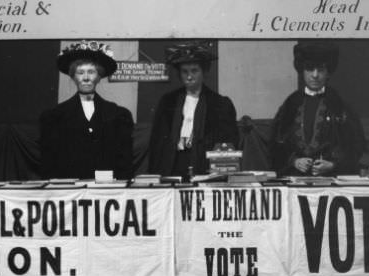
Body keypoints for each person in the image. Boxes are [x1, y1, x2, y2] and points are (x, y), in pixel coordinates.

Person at [268, 41, 366, 177]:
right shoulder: (291, 103)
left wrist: (333, 164)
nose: (315, 75)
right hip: (294, 178)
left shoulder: (339, 104)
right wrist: (294, 161)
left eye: (320, 70)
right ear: (302, 71)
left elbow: (356, 145)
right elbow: (275, 144)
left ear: (328, 73)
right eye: (309, 69)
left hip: (331, 179)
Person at [39, 41, 134, 180]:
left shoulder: (119, 114)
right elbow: (49, 161)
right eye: (80, 72)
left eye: (91, 72)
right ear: (73, 76)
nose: (86, 78)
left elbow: (125, 160)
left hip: (106, 189)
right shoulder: (54, 116)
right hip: (70, 191)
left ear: (99, 76)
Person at [148, 42, 239, 176]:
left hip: (204, 166)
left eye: (194, 71)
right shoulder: (168, 101)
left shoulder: (220, 104)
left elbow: (228, 143)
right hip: (173, 165)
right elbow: (157, 143)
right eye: (185, 72)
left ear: (204, 72)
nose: (189, 76)